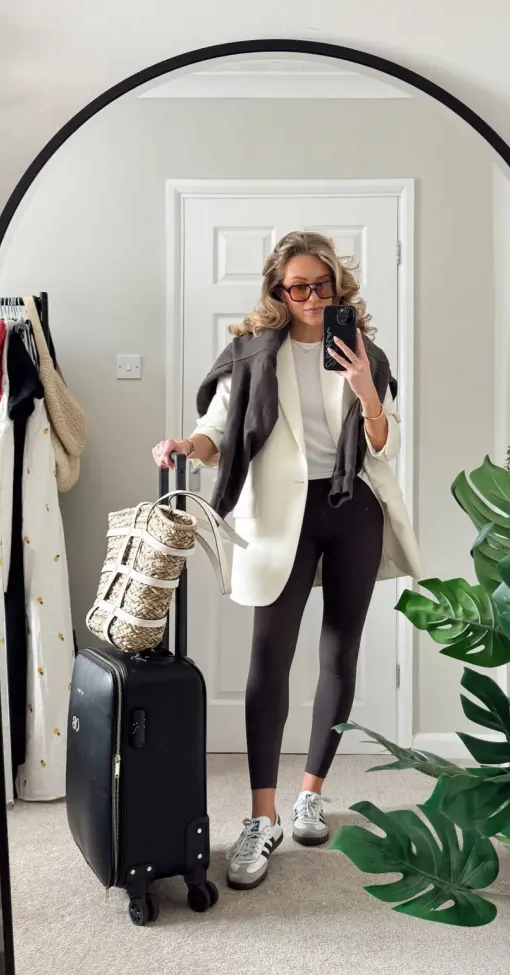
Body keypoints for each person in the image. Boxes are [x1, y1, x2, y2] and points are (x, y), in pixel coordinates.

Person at [152, 231, 422, 892]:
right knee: (268, 658)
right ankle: (261, 815)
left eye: (321, 286)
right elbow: (218, 434)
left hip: (352, 506)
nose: (310, 298)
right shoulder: (250, 354)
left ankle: (310, 793)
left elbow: (380, 444)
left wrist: (365, 386)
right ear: (276, 289)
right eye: (297, 286)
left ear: (337, 288)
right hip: (280, 513)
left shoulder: (362, 351)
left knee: (341, 652)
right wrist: (187, 444)